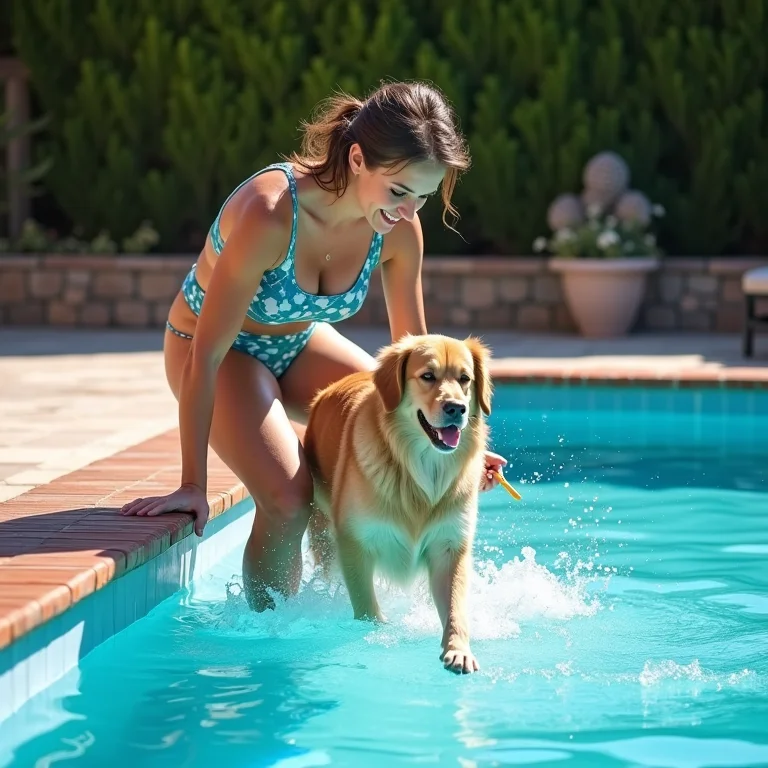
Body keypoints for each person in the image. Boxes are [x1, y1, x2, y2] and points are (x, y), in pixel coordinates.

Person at [120, 80, 507, 610]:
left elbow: (415, 360)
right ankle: (269, 633)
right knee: (288, 499)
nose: (407, 210)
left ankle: (331, 606)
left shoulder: (399, 228)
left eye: (422, 195)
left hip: (300, 342)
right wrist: (193, 483)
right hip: (216, 353)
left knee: (357, 438)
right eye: (398, 192)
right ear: (356, 158)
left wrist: (461, 442)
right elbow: (206, 353)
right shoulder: (270, 213)